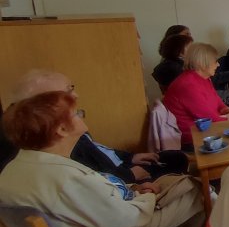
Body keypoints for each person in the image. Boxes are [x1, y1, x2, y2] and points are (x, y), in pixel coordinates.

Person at [0, 90, 205, 227]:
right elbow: (127, 219)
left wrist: (135, 191)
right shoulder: (66, 179)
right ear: (61, 129)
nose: (81, 115)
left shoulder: (13, 170)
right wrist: (148, 196)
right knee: (195, 190)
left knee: (179, 189)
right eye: (76, 113)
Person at [1, 69, 189, 181]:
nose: (75, 95)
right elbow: (97, 178)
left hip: (121, 171)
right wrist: (130, 176)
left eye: (71, 88)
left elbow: (100, 151)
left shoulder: (66, 128)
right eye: (66, 92)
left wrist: (132, 156)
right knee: (184, 176)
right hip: (122, 183)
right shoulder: (59, 142)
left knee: (175, 158)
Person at [163, 42, 229, 147]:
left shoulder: (204, 79)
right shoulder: (188, 85)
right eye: (215, 61)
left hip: (209, 131)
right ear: (203, 63)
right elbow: (210, 119)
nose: (218, 65)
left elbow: (218, 103)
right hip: (194, 139)